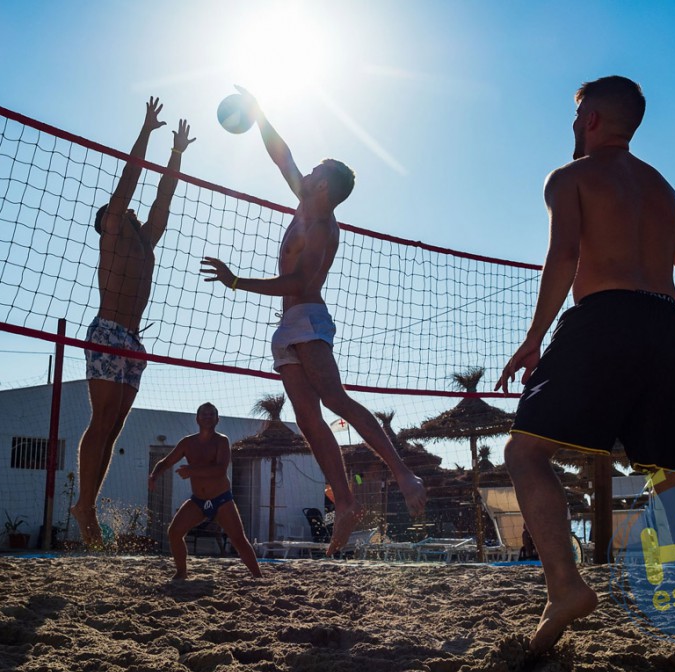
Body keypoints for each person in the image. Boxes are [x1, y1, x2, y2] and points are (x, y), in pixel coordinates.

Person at [495, 76, 675, 653]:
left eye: (575, 118)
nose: (571, 128)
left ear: (591, 117)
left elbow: (564, 255)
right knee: (672, 478)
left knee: (524, 452)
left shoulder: (569, 178)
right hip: (661, 323)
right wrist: (668, 337)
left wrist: (534, 337)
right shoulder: (665, 191)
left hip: (602, 316)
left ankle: (566, 588)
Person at [200, 87, 426, 555]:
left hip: (306, 317)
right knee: (309, 419)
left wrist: (238, 282)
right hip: (288, 327)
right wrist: (260, 114)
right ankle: (343, 503)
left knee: (336, 399)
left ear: (324, 187)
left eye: (316, 172)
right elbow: (283, 157)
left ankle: (405, 472)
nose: (307, 174)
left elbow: (299, 286)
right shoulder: (306, 205)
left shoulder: (322, 228)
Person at [72, 97, 196, 546]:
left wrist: (177, 153)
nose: (124, 209)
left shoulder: (145, 239)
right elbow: (129, 178)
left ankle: (88, 500)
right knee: (101, 419)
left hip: (133, 340)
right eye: (117, 209)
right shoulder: (112, 232)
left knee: (116, 425)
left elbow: (163, 198)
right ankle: (83, 505)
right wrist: (146, 129)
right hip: (107, 330)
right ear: (107, 219)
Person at [148, 402, 261, 580]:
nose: (207, 417)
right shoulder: (187, 442)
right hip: (198, 501)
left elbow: (220, 470)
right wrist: (154, 475)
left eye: (211, 414)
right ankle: (181, 572)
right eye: (204, 414)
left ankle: (258, 576)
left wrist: (191, 471)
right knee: (174, 532)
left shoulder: (221, 440)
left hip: (222, 500)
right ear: (197, 418)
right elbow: (167, 462)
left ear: (217, 419)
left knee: (238, 539)